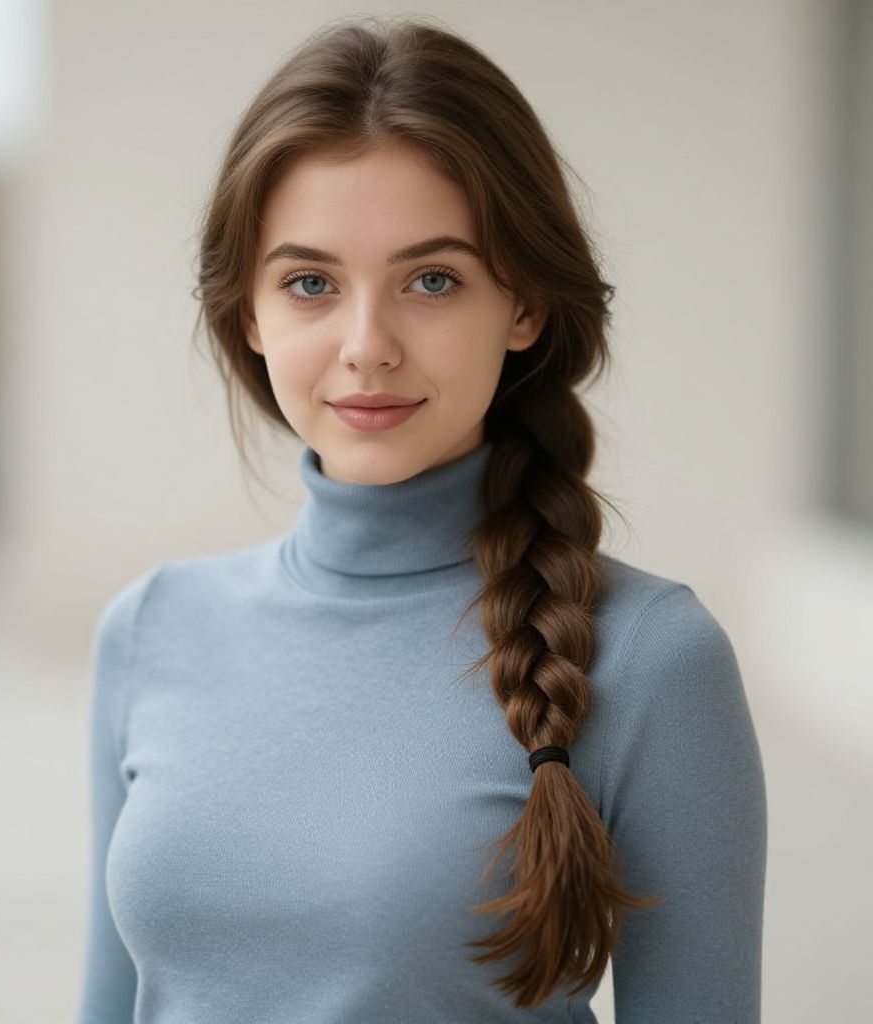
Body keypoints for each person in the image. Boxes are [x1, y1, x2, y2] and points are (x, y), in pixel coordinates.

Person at [74, 15, 767, 1024]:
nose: (366, 345)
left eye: (431, 280)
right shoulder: (149, 628)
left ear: (521, 303)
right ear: (250, 315)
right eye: (310, 283)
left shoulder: (654, 658)